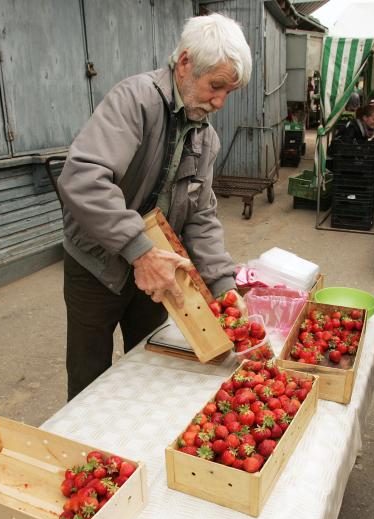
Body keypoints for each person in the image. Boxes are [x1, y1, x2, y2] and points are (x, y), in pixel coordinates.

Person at [56, 13, 252, 400]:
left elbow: (201, 215)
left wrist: (225, 287)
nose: (219, 102)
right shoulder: (135, 99)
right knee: (89, 372)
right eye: (216, 86)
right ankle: (87, 450)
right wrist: (139, 251)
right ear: (184, 64)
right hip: (96, 261)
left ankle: (135, 447)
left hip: (159, 267)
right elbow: (83, 179)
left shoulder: (205, 136)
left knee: (149, 363)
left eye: (229, 92)